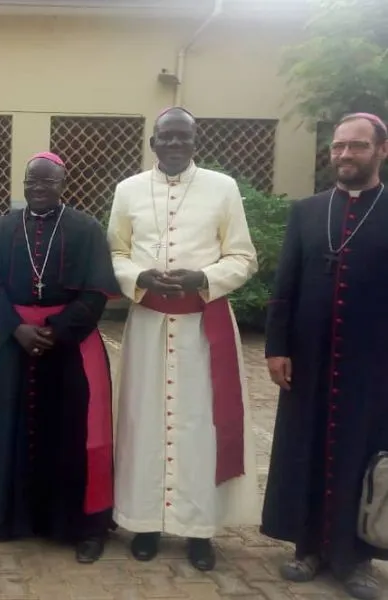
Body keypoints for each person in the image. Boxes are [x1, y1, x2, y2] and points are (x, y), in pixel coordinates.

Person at [107, 107, 259, 571]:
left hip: (202, 324)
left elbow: (243, 256)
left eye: (183, 138)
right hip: (149, 324)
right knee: (143, 423)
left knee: (200, 426)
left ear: (196, 142)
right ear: (153, 143)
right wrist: (139, 275)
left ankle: (198, 530)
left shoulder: (222, 188)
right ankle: (145, 523)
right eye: (166, 138)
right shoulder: (128, 190)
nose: (174, 145)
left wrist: (203, 277)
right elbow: (115, 251)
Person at [262, 113, 388, 600]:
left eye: (356, 147)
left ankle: (356, 560)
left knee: (364, 456)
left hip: (373, 363)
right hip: (309, 359)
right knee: (305, 449)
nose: (345, 156)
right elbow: (284, 286)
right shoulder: (308, 211)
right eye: (338, 147)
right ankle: (307, 547)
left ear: (380, 150)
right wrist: (276, 348)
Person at [0, 152, 120, 563]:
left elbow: (96, 291)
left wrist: (57, 328)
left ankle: (82, 526)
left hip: (71, 345)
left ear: (62, 183)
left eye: (47, 182)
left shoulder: (86, 228)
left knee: (76, 436)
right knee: (11, 430)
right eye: (31, 182)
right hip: (17, 342)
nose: (38, 188)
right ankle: (13, 519)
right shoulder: (3, 228)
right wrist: (15, 328)